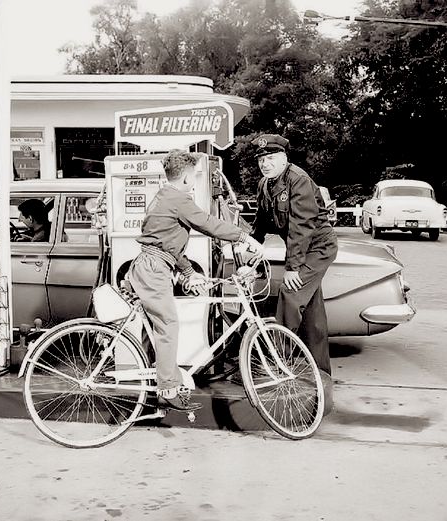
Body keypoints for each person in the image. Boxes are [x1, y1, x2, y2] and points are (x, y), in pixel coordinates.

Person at [127, 150, 264, 411]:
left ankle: (157, 383)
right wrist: (243, 237)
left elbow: (167, 244)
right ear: (188, 177)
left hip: (150, 265)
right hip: (154, 269)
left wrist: (188, 272)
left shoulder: (162, 196)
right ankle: (167, 388)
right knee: (168, 324)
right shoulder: (179, 198)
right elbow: (207, 223)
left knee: (155, 327)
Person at [249, 134, 338, 376]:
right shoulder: (265, 185)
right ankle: (321, 372)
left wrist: (293, 267)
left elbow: (302, 226)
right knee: (311, 310)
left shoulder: (298, 180)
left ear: (283, 158)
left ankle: (277, 362)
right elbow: (261, 222)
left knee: (290, 294)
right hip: (302, 248)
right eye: (261, 160)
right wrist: (247, 248)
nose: (265, 164)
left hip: (318, 248)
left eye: (270, 158)